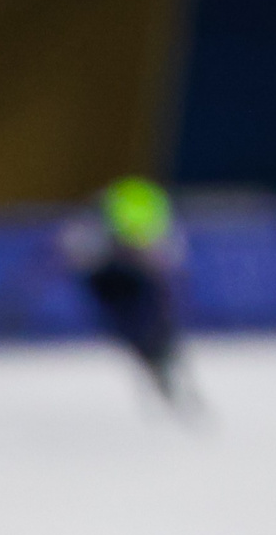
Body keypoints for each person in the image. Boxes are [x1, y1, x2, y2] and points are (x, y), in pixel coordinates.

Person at [62, 176, 193, 411]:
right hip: (109, 282)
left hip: (135, 281)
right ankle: (156, 364)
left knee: (154, 325)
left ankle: (163, 359)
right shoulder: (93, 227)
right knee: (133, 330)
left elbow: (169, 260)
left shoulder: (147, 222)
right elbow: (77, 257)